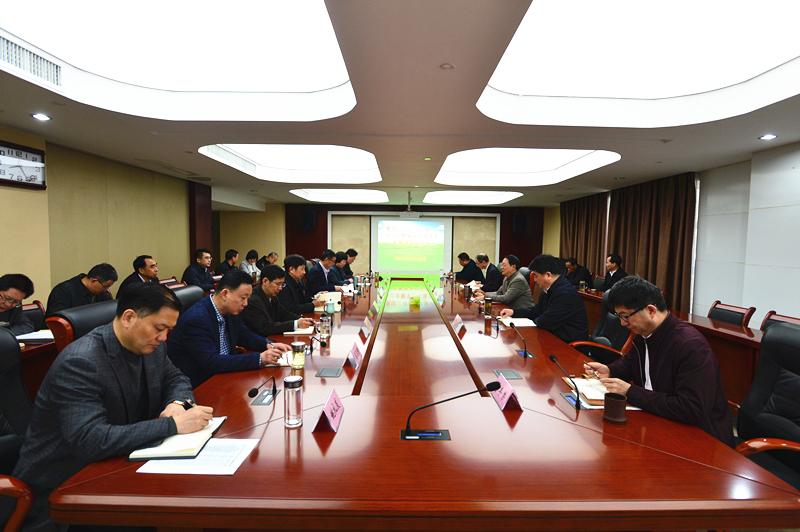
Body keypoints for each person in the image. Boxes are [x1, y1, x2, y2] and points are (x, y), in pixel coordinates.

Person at [12, 284, 213, 530]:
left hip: (119, 467)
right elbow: (90, 439)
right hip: (64, 491)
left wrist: (177, 403)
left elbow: (176, 378)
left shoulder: (151, 346)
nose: (164, 338)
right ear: (129, 318)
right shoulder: (81, 361)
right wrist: (172, 425)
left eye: (169, 330)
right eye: (159, 328)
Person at [584, 276, 734, 446]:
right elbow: (630, 364)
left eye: (625, 316)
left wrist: (630, 392)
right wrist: (610, 370)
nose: (622, 323)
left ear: (650, 310)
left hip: (701, 440)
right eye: (619, 316)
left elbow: (691, 408)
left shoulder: (690, 345)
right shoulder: (644, 334)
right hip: (658, 421)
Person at [167, 270, 290, 387]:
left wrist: (268, 345)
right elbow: (211, 362)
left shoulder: (229, 310)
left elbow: (243, 334)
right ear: (225, 294)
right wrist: (259, 358)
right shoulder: (197, 319)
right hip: (203, 383)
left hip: (226, 374)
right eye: (243, 298)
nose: (246, 303)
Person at [500, 255, 588, 343]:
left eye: (536, 276)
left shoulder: (565, 294)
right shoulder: (549, 289)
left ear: (548, 275)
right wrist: (513, 312)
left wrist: (530, 322)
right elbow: (536, 311)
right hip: (553, 338)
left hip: (569, 345)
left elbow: (545, 322)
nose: (534, 280)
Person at [242, 265, 315, 336]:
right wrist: (296, 324)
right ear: (265, 281)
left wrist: (302, 319)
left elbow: (284, 314)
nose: (280, 288)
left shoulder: (272, 295)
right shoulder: (253, 300)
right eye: (278, 284)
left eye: (282, 284)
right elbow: (265, 327)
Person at [45, 263, 117, 317]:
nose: (106, 290)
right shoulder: (63, 291)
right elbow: (57, 319)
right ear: (93, 280)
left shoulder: (103, 294)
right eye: (105, 286)